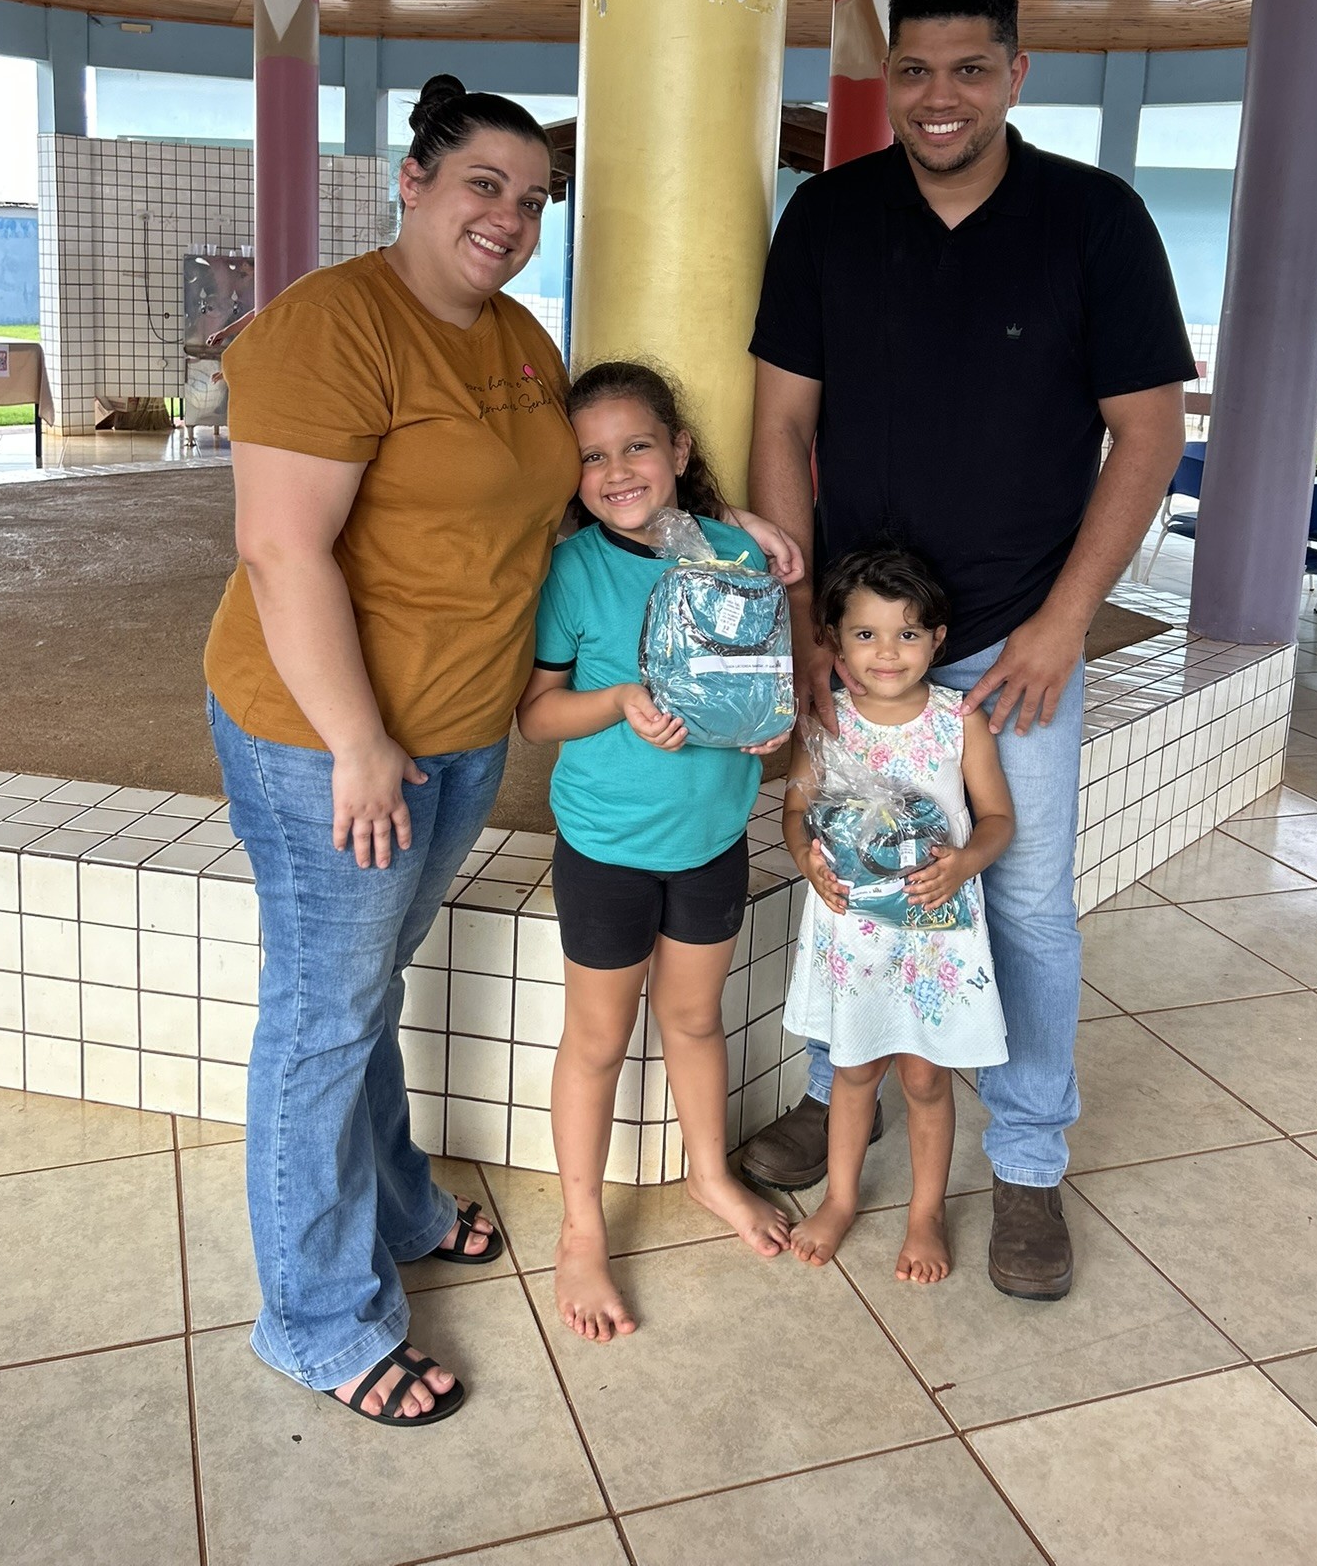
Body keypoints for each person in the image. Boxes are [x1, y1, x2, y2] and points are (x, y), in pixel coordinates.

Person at [203, 79, 801, 1426]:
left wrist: (728, 541)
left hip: (458, 732)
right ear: (412, 180)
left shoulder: (519, 341)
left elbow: (583, 504)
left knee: (365, 990)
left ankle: (403, 1207)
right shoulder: (329, 326)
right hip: (328, 739)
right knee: (322, 1016)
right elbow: (280, 548)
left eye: (533, 200)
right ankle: (320, 1323)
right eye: (484, 184)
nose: (511, 218)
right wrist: (358, 740)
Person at [744, 0, 1194, 1302]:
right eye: (916, 71)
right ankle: (842, 1090)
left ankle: (1030, 1159)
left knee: (1027, 904)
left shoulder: (1094, 220)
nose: (940, 97)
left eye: (970, 69)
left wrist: (1067, 622)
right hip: (860, 642)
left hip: (1011, 646)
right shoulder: (830, 217)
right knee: (850, 868)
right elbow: (780, 423)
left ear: (1016, 72)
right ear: (889, 76)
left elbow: (1148, 432)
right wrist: (803, 621)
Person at [517, 362, 796, 1343]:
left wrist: (768, 726)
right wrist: (617, 701)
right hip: (607, 845)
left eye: (637, 445)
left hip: (713, 838)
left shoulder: (737, 553)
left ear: (679, 449)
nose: (617, 470)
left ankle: (709, 1172)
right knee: (597, 1041)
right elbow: (537, 713)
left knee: (694, 1020)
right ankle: (581, 1229)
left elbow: (761, 683)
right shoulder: (573, 571)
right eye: (591, 456)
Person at [781, 545, 1013, 1282]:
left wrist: (965, 863)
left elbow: (998, 818)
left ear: (937, 640)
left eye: (907, 634)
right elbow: (795, 812)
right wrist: (807, 859)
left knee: (924, 1079)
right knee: (852, 1071)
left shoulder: (959, 722)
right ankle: (840, 1199)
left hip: (933, 936)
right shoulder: (826, 721)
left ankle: (925, 1214)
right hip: (854, 934)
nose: (887, 653)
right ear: (834, 640)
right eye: (866, 634)